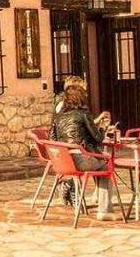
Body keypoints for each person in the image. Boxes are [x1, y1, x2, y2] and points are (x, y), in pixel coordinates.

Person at [50, 79, 116, 219]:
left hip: (63, 162)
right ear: (81, 98)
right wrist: (104, 127)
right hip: (80, 160)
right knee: (105, 166)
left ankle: (70, 184)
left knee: (99, 162)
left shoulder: (59, 117)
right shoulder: (82, 114)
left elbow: (54, 137)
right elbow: (98, 138)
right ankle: (105, 211)